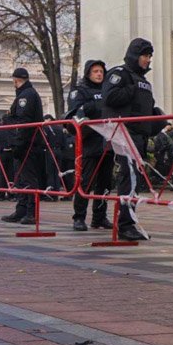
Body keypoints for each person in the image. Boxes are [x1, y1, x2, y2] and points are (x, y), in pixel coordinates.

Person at [103, 38, 165, 241]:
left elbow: (145, 107)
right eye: (145, 56)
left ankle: (128, 220)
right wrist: (133, 89)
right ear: (135, 56)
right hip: (124, 134)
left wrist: (156, 118)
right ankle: (125, 224)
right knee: (127, 179)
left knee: (135, 181)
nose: (148, 60)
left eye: (149, 56)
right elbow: (110, 97)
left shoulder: (144, 82)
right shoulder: (119, 74)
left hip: (140, 136)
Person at [68, 59, 113, 232]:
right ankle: (79, 217)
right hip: (88, 143)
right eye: (95, 71)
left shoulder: (108, 90)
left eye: (101, 71)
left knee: (105, 183)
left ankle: (99, 217)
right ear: (88, 73)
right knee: (85, 182)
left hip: (107, 142)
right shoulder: (79, 91)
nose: (99, 74)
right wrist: (94, 106)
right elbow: (76, 113)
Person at [1, 67, 45, 224]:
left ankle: (31, 212)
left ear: (15, 80)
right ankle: (21, 210)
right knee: (20, 178)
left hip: (27, 144)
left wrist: (18, 142)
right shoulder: (26, 94)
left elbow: (23, 122)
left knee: (28, 178)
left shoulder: (26, 96)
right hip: (25, 142)